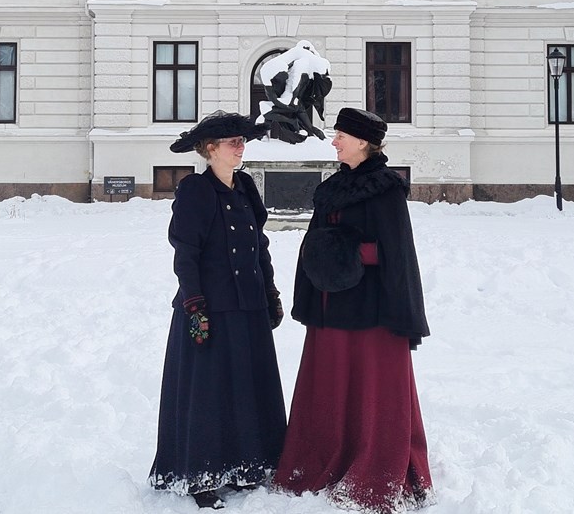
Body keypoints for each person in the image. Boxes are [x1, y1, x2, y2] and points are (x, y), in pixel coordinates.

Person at [273, 107, 432, 513]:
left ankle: (373, 464)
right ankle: (323, 455)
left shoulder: (386, 189)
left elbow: (396, 254)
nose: (334, 140)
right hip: (330, 310)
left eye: (341, 134)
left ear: (363, 142)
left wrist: (345, 251)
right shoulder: (332, 187)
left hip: (372, 315)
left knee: (372, 391)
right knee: (329, 388)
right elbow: (318, 239)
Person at [149, 111, 288, 510]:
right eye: (233, 142)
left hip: (248, 306)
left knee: (246, 387)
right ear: (210, 150)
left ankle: (244, 466)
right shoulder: (196, 190)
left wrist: (271, 294)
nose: (241, 147)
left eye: (243, 141)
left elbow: (258, 246)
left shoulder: (245, 186)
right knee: (209, 393)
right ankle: (202, 474)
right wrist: (194, 304)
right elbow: (186, 253)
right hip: (210, 309)